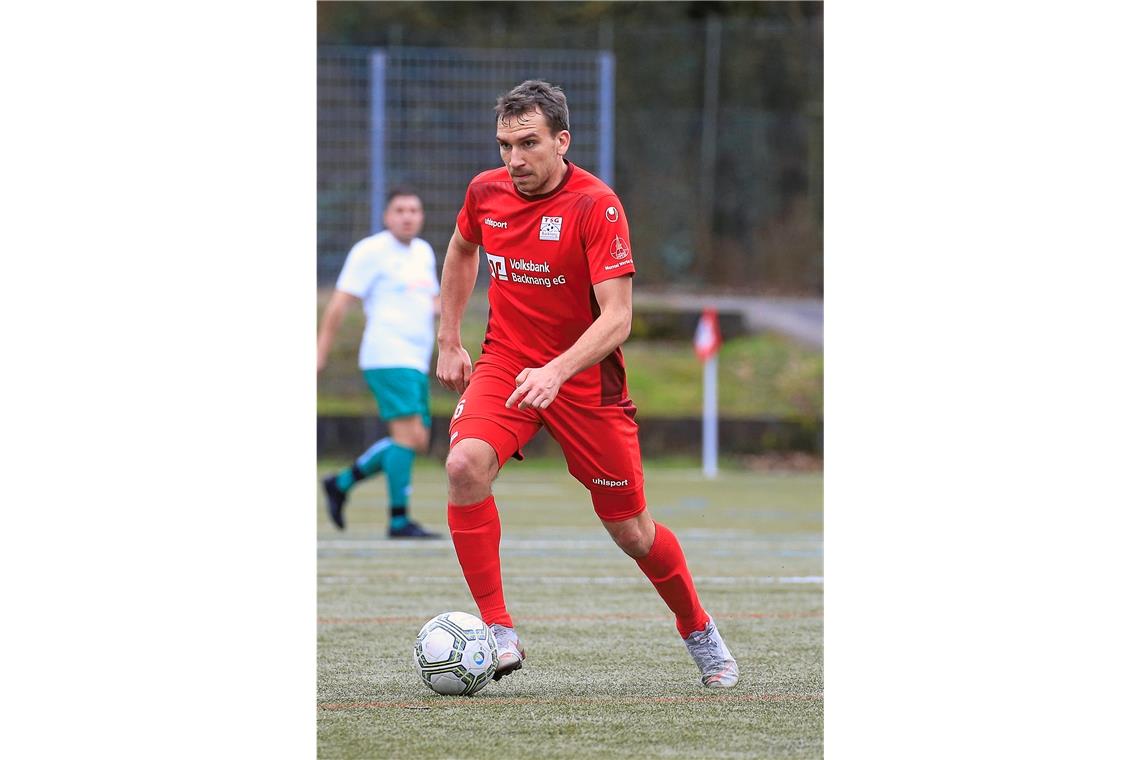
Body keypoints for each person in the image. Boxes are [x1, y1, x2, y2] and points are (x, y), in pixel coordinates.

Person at [435, 80, 738, 687]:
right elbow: (462, 247)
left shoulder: (596, 206)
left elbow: (618, 318)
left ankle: (698, 628)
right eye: (504, 145)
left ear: (561, 140)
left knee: (633, 532)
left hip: (583, 382)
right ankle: (498, 631)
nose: (514, 160)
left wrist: (557, 370)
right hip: (507, 363)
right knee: (464, 465)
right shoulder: (485, 192)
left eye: (528, 144)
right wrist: (449, 337)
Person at [318, 189, 442, 539]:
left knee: (416, 439)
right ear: (387, 216)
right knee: (408, 437)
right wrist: (320, 351)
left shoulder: (422, 252)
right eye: (400, 210)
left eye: (414, 210)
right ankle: (399, 520)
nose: (407, 216)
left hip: (415, 360)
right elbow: (340, 303)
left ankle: (341, 483)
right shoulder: (371, 251)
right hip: (388, 354)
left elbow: (431, 302)